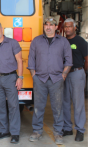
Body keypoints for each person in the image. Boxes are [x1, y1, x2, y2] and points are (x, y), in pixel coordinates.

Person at [27, 16, 73, 145]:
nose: (48, 27)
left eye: (51, 25)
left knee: (57, 107)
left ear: (56, 27)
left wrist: (63, 76)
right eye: (46, 24)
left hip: (56, 79)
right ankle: (37, 131)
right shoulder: (36, 41)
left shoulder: (63, 42)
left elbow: (69, 61)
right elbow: (31, 61)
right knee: (38, 107)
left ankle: (58, 133)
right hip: (40, 79)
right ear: (44, 26)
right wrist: (34, 76)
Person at [62, 18, 88, 142]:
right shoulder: (61, 41)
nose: (67, 29)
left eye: (70, 26)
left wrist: (82, 71)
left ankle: (80, 130)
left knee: (78, 103)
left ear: (74, 28)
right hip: (63, 75)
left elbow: (87, 59)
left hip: (77, 73)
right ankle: (67, 128)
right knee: (65, 102)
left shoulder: (80, 41)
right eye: (65, 27)